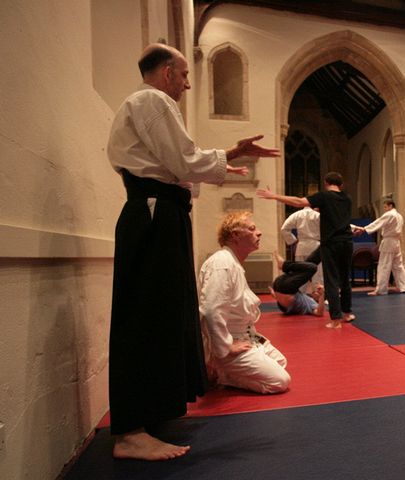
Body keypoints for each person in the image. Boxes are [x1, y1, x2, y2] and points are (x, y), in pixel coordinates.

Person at [107, 43, 279, 461]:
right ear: (167, 72)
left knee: (163, 313)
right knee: (146, 316)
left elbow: (180, 167)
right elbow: (184, 162)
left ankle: (152, 414)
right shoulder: (153, 100)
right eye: (184, 75)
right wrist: (231, 153)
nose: (186, 83)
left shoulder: (151, 103)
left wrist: (227, 157)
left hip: (163, 214)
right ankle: (130, 431)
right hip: (155, 215)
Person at [199, 212, 291, 395]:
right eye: (252, 229)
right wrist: (226, 347)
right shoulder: (222, 263)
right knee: (280, 381)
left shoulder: (233, 262)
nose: (259, 232)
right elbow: (210, 310)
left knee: (280, 362)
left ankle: (226, 370)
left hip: (246, 336)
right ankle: (223, 372)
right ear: (235, 235)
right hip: (230, 342)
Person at [257, 172, 354, 329]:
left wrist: (274, 196)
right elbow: (337, 217)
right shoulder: (347, 198)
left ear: (325, 183)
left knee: (330, 279)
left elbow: (298, 201)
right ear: (341, 185)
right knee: (344, 278)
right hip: (347, 242)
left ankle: (336, 320)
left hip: (330, 244)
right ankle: (347, 313)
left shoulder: (324, 196)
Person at [355, 199, 405, 296]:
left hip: (388, 242)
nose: (385, 209)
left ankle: (381, 290)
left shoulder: (389, 215)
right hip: (396, 242)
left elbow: (378, 222)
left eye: (385, 207)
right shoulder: (399, 216)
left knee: (384, 265)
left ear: (390, 206)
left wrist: (365, 229)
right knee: (398, 265)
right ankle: (403, 287)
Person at [270, 250, 326, 317]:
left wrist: (322, 295)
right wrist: (275, 294)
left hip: (285, 288)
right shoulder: (306, 297)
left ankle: (284, 265)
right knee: (308, 265)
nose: (316, 291)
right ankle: (323, 247)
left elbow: (319, 313)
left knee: (312, 268)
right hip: (281, 286)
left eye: (318, 292)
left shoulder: (312, 304)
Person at [280, 206, 322, 292]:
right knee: (317, 275)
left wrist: (293, 241)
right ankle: (320, 297)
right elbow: (335, 226)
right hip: (316, 247)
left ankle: (299, 296)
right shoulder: (318, 215)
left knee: (301, 274)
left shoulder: (296, 215)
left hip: (301, 247)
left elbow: (284, 229)